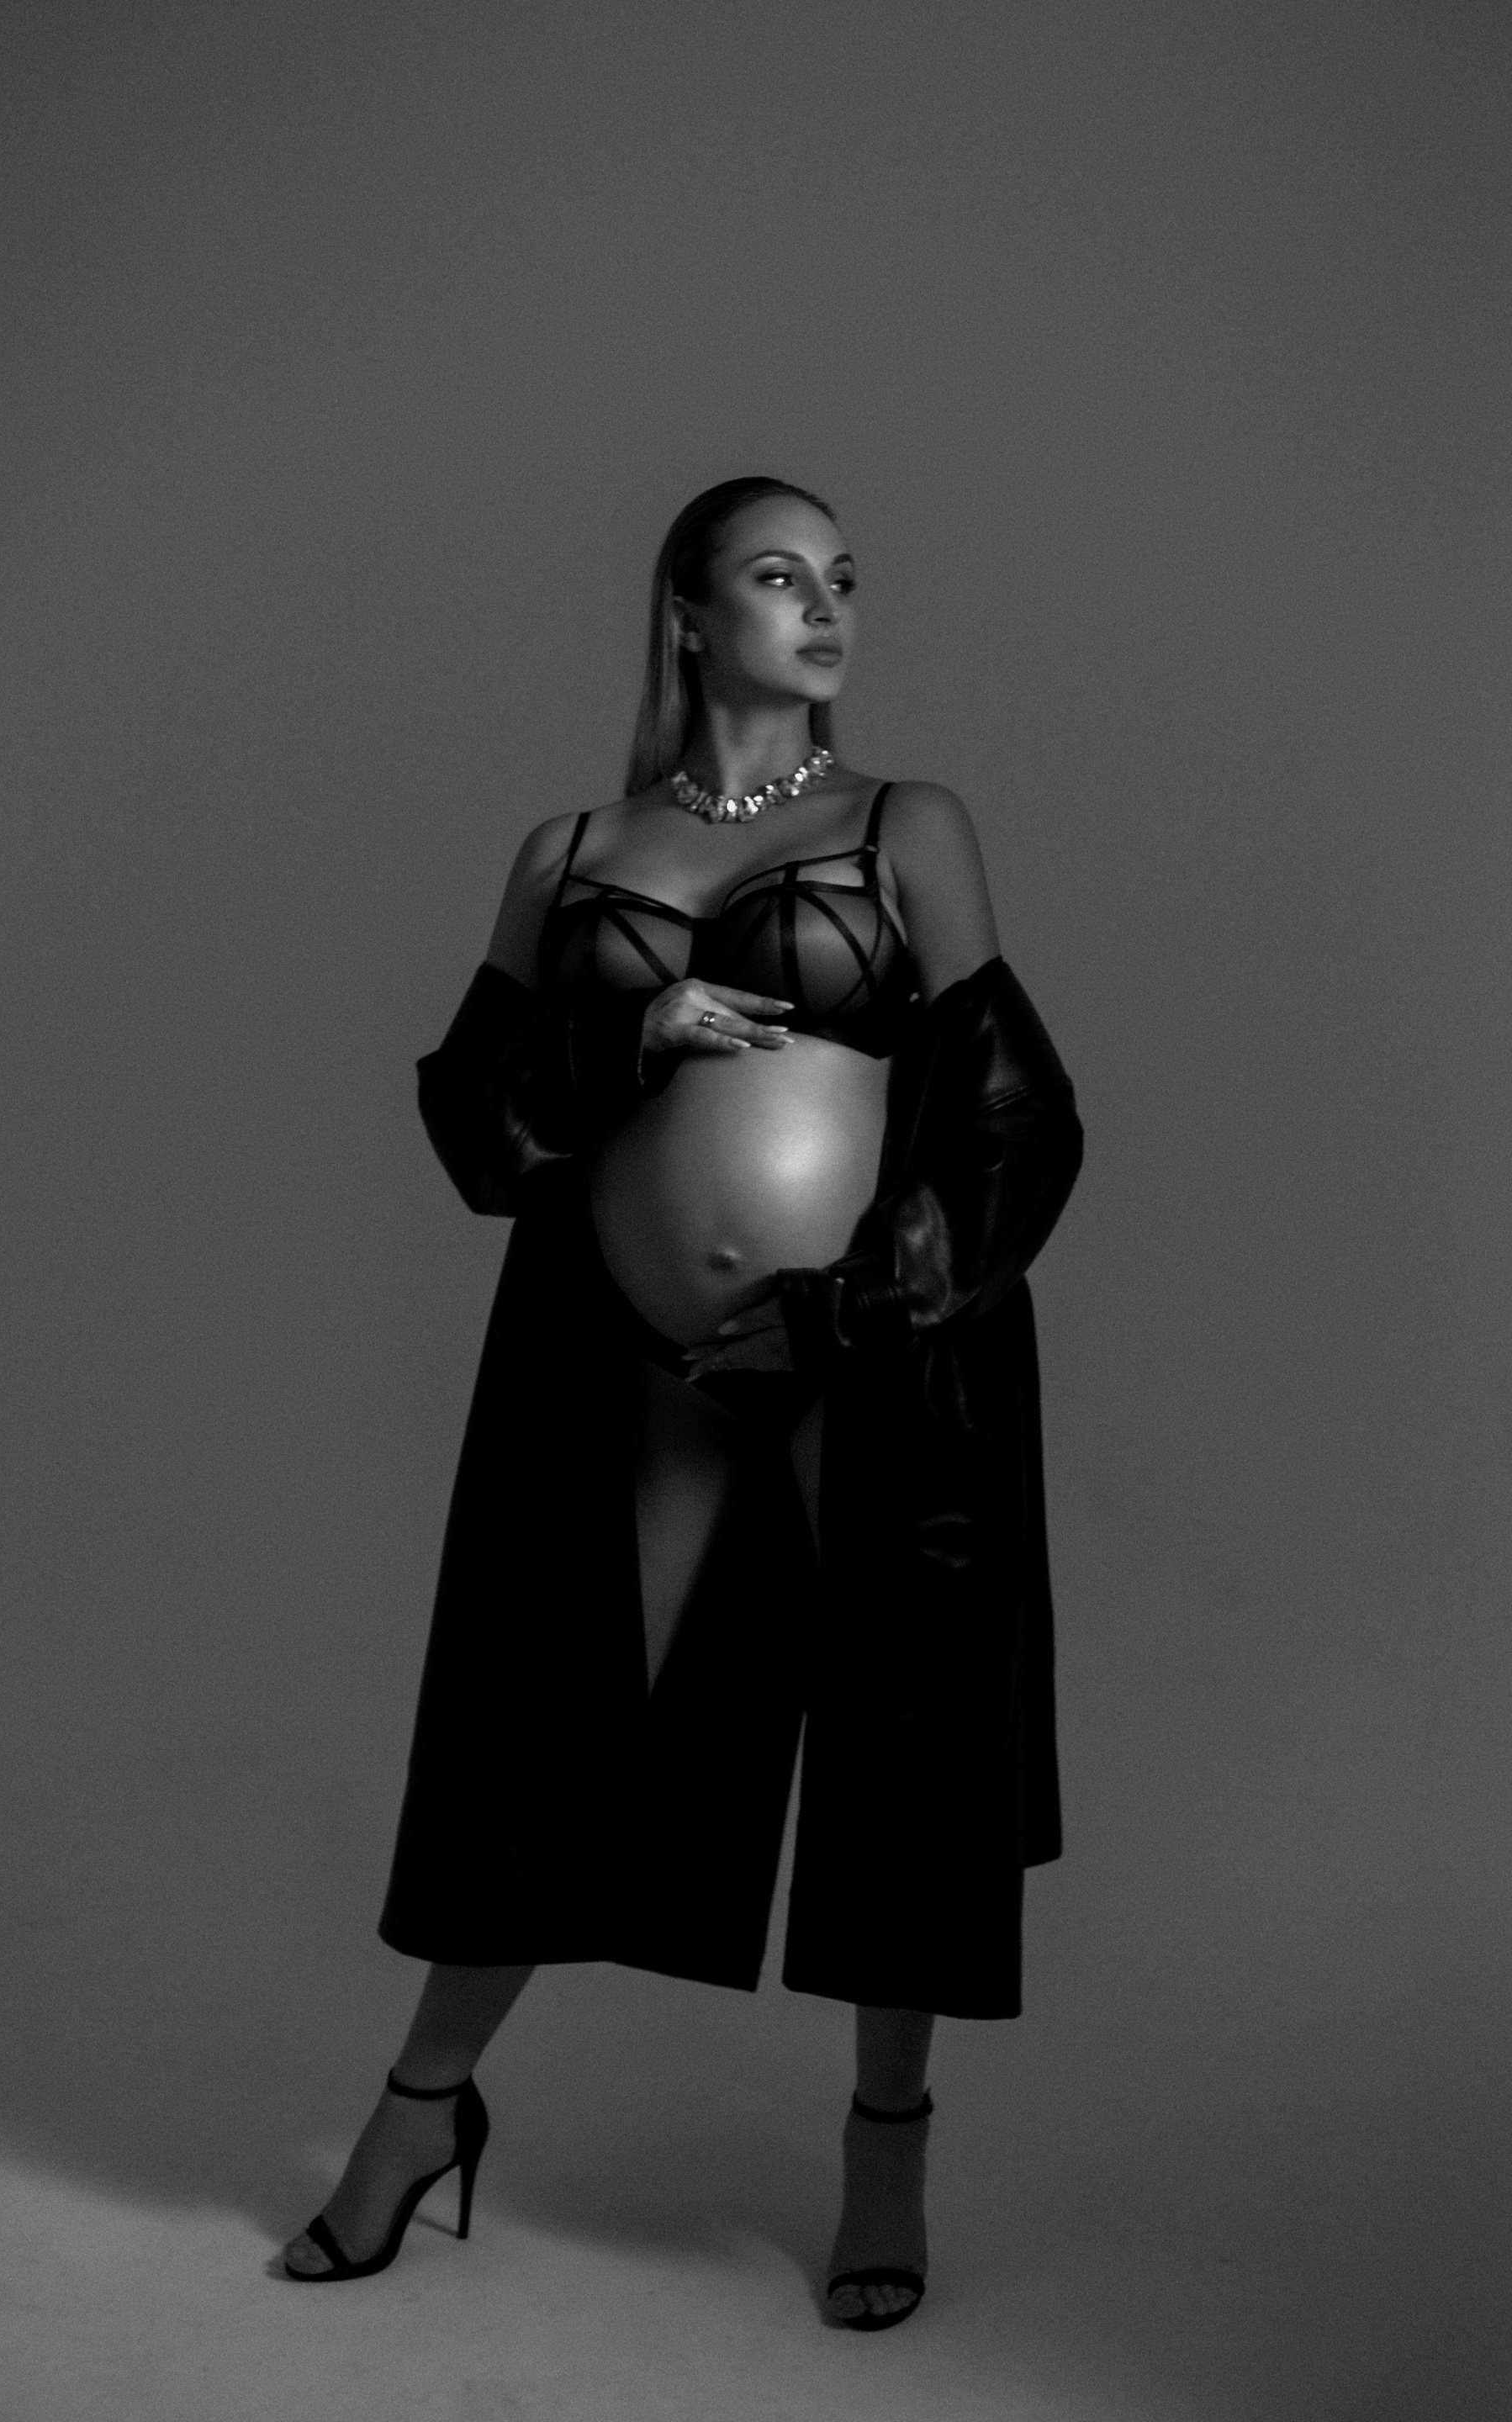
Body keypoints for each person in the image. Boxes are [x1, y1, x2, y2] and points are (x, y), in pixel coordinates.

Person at [283, 476, 1084, 2329]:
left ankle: (887, 2140)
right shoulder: (571, 850)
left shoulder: (906, 824)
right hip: (621, 1357)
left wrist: (855, 1308)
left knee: (902, 1732)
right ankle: (421, 2109)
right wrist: (623, 1034)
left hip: (866, 1346)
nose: (826, 609)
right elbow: (473, 1123)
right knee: (544, 1720)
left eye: (844, 580)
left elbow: (1016, 1117)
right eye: (780, 576)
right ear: (688, 613)